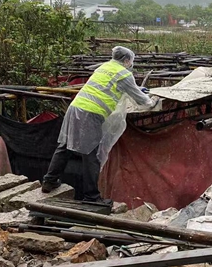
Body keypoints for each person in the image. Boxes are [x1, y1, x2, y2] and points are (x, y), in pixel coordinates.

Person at [42, 46, 155, 204]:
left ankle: (49, 181)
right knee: (91, 154)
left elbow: (110, 88)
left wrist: (137, 89)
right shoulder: (124, 74)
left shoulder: (105, 67)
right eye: (131, 61)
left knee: (65, 146)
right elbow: (142, 100)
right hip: (91, 113)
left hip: (75, 108)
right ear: (127, 60)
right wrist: (151, 101)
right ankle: (92, 196)